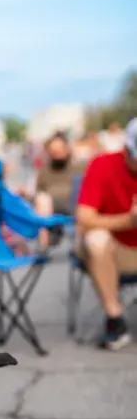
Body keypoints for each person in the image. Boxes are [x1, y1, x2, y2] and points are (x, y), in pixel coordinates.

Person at [76, 117, 137, 350]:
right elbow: (84, 218)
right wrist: (129, 221)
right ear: (127, 150)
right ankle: (115, 320)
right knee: (96, 238)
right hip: (116, 250)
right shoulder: (102, 164)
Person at [34, 131, 80, 248]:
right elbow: (38, 193)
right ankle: (43, 246)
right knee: (42, 200)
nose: (57, 152)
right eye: (54, 150)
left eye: (60, 148)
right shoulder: (44, 171)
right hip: (51, 208)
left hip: (76, 205)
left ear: (67, 149)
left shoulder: (80, 167)